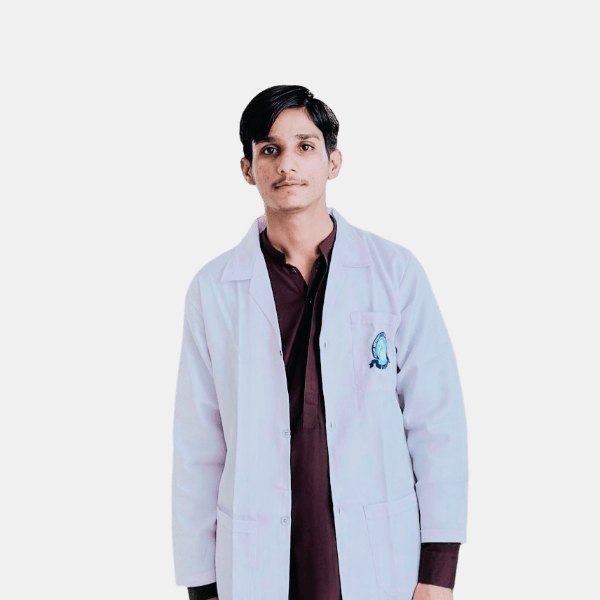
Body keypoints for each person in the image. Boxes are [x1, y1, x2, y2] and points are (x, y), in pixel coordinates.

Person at [172, 85, 468, 600]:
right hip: (259, 557)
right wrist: (203, 586)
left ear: (333, 162)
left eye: (305, 146)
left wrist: (438, 572)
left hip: (375, 552)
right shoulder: (214, 290)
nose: (288, 163)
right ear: (247, 169)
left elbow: (436, 422)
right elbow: (198, 445)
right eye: (270, 149)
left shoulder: (394, 273)